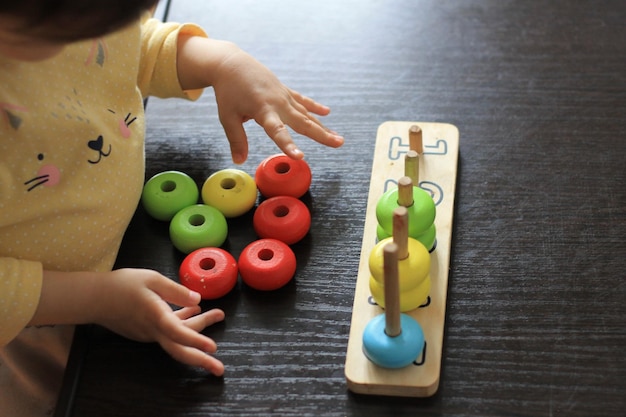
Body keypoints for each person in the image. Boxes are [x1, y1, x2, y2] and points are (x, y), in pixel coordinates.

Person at [0, 0, 344, 415]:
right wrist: (93, 299)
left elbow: (128, 49)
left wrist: (221, 61)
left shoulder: (82, 20)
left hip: (120, 259)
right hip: (31, 327)